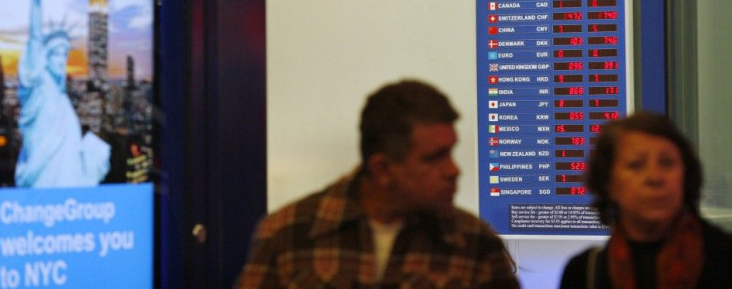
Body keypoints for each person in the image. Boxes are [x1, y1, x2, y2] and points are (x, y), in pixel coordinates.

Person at [236, 79, 519, 288]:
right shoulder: (290, 234)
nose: (453, 170)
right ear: (382, 169)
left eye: (451, 152)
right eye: (434, 158)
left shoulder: (473, 244)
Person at [560, 111, 732, 289]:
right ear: (608, 182)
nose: (654, 177)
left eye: (667, 163)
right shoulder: (584, 274)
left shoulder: (726, 261)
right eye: (636, 165)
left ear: (686, 176)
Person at [14, 0, 110, 187]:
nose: (61, 59)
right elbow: (34, 33)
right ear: (42, 57)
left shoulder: (64, 101)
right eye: (55, 53)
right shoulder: (37, 88)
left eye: (65, 54)